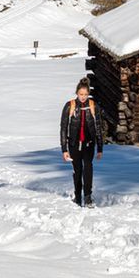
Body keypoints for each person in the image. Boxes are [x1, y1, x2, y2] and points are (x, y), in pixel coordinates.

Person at [59, 78, 103, 207]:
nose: (83, 97)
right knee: (77, 171)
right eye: (80, 94)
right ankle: (78, 197)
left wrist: (100, 148)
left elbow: (99, 127)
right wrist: (64, 149)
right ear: (77, 93)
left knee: (88, 169)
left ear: (88, 93)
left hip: (88, 144)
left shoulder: (93, 106)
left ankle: (88, 197)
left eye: (85, 94)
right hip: (73, 145)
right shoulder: (70, 105)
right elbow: (63, 128)